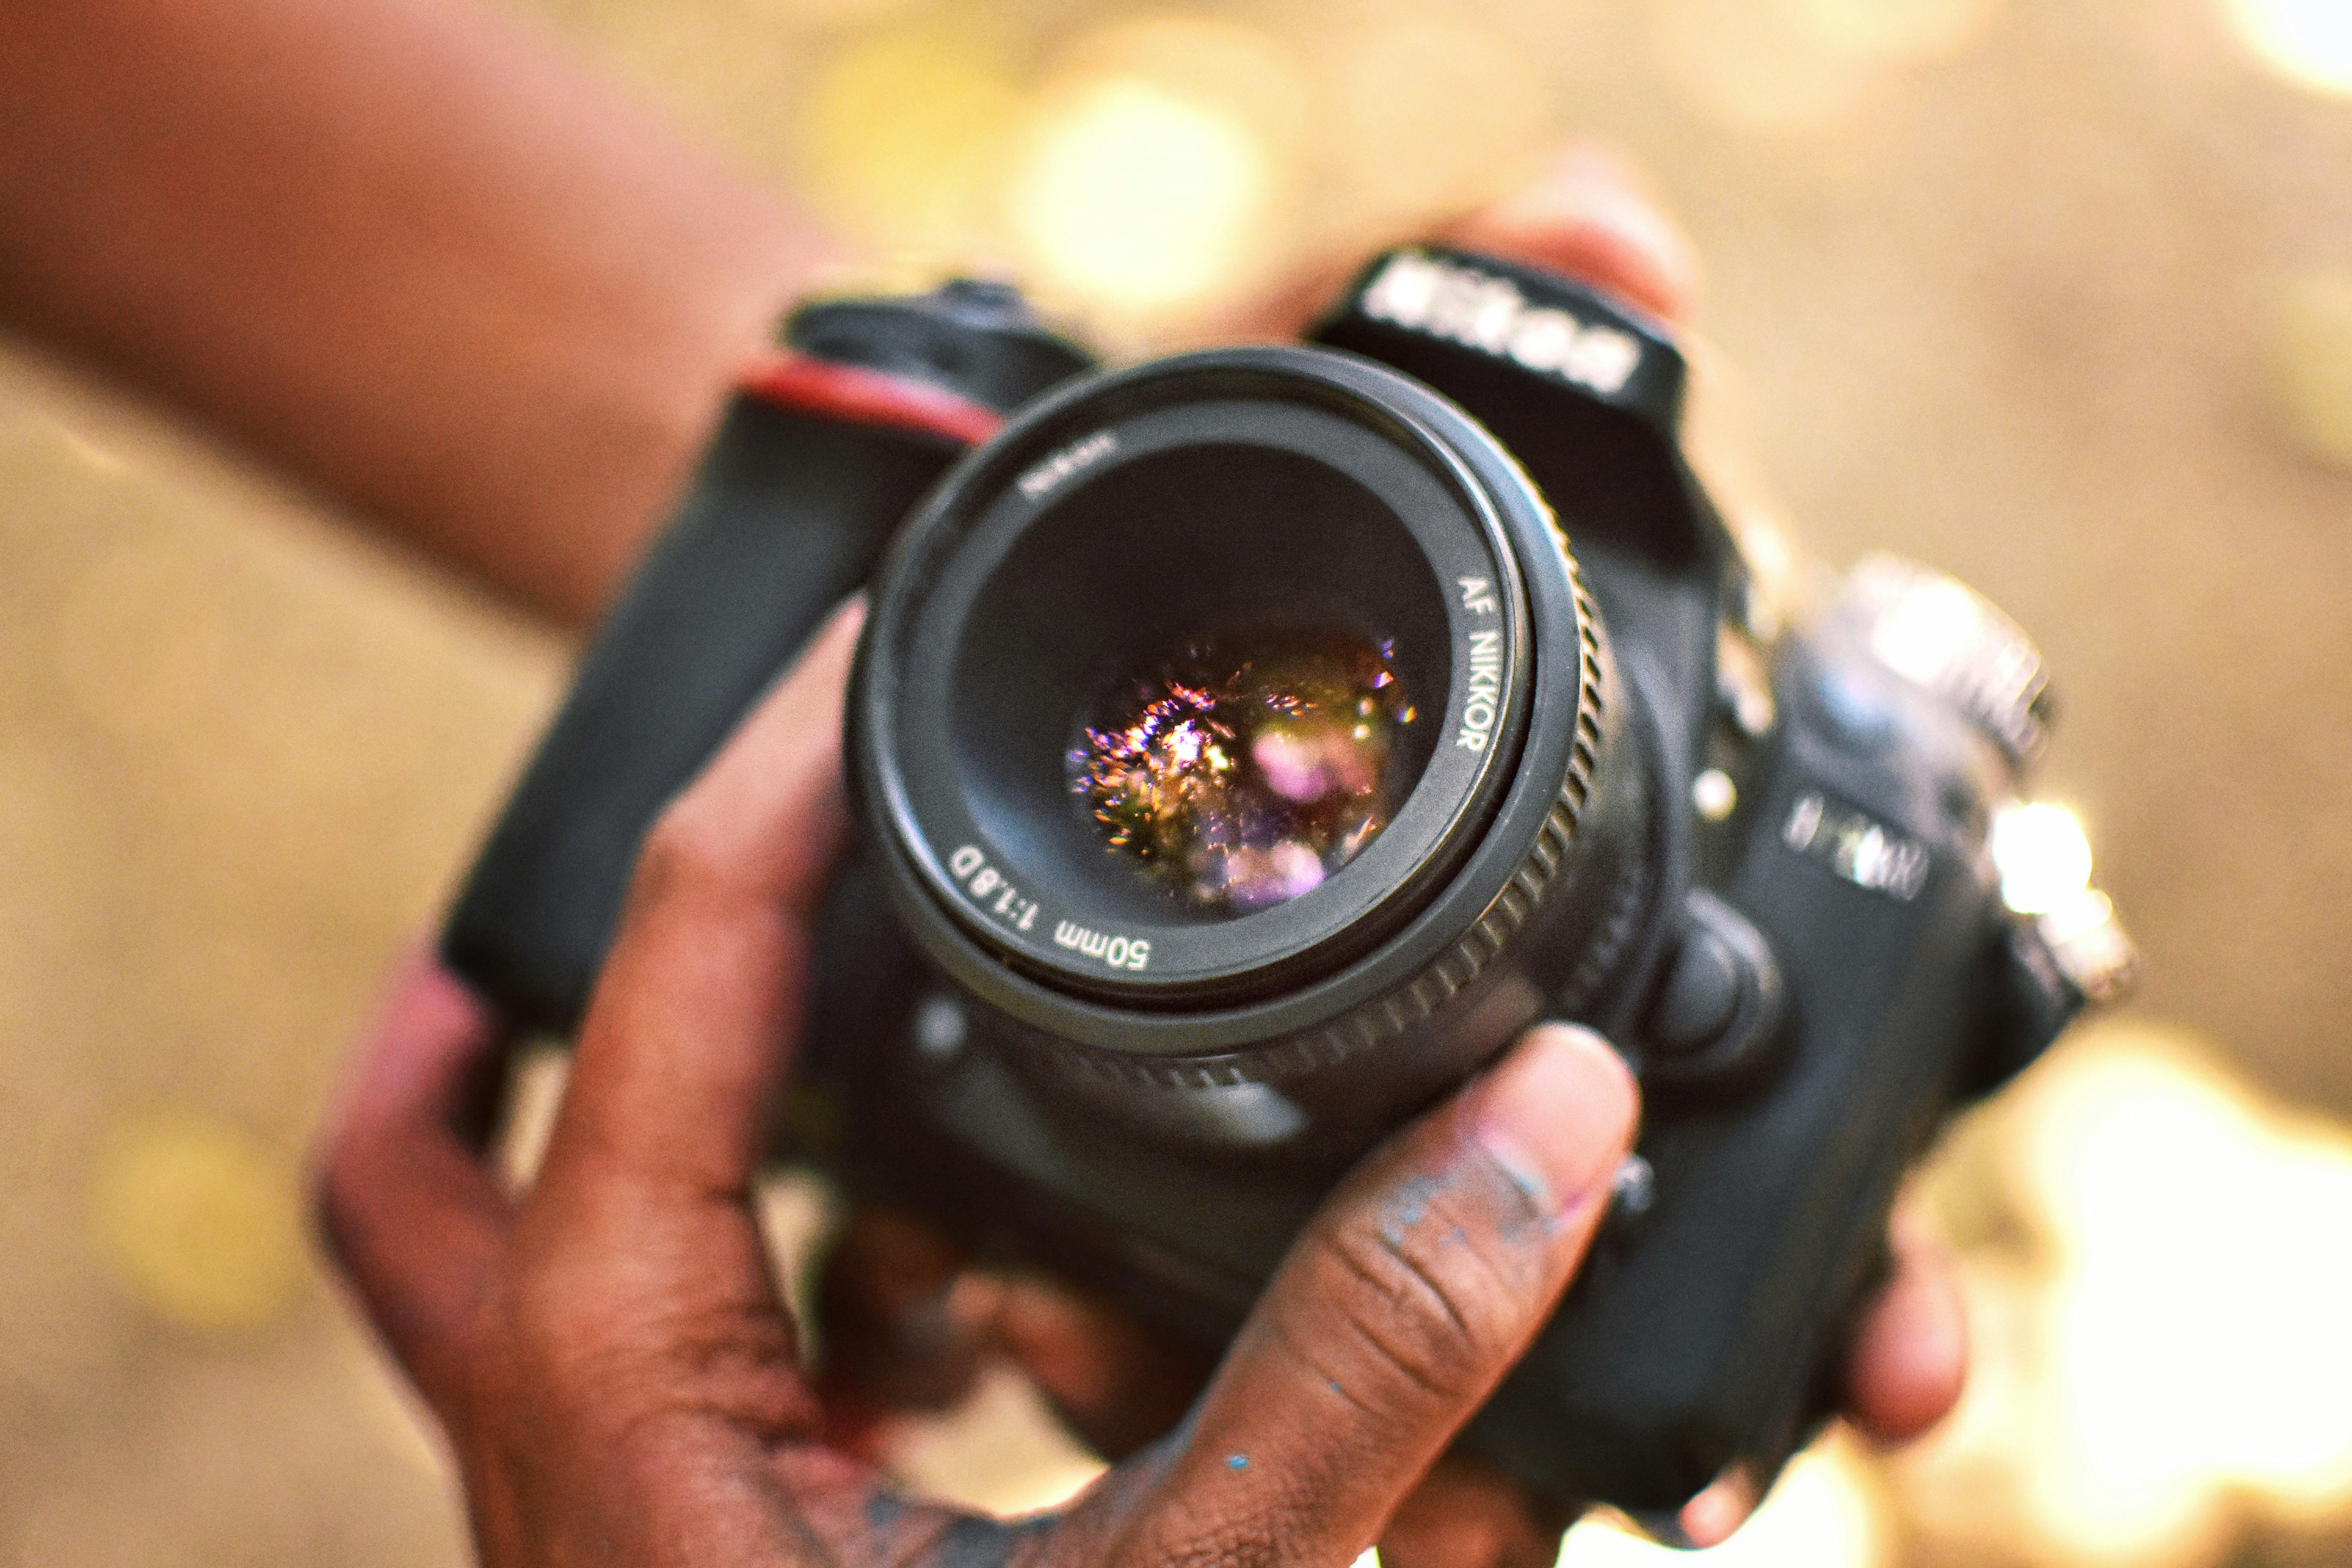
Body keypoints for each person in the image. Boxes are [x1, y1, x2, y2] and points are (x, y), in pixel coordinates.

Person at [3, 3, 1967, 1563]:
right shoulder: (977, 884)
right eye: (1232, 815)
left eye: (1283, 815)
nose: (1271, 806)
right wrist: (921, 495)